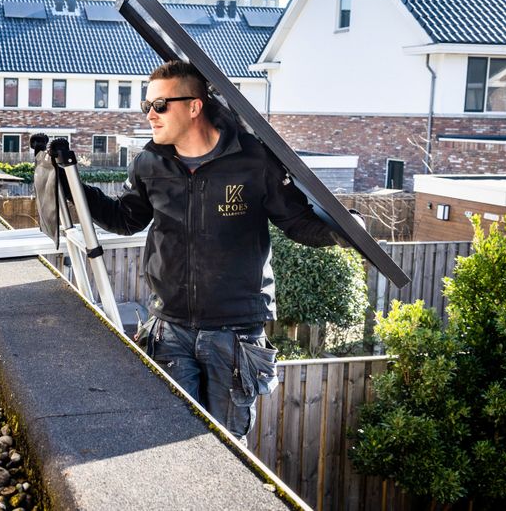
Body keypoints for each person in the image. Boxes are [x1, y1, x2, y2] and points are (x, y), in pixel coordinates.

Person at [78, 60, 345, 439]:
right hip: (170, 328)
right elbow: (126, 219)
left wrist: (345, 231)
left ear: (194, 106)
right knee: (170, 441)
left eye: (159, 105)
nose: (150, 116)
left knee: (225, 445)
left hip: (235, 334)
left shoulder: (253, 159)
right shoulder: (149, 163)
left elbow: (296, 221)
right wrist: (71, 184)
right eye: (146, 106)